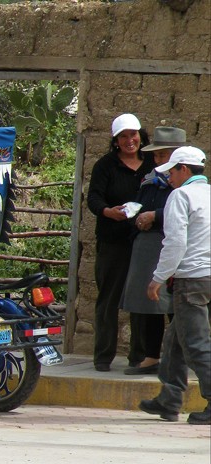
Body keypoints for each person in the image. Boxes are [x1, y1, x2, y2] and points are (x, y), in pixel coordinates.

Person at [138, 146, 210, 425]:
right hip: (207, 277)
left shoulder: (181, 196)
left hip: (190, 278)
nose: (168, 178)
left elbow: (175, 242)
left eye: (172, 171)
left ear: (184, 169)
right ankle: (169, 399)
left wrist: (157, 278)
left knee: (195, 344)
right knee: (176, 340)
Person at [86, 113, 155, 372]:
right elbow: (94, 198)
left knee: (140, 299)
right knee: (109, 299)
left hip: (143, 242)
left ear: (141, 136)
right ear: (115, 141)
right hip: (114, 242)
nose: (130, 141)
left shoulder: (150, 163)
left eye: (133, 135)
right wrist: (108, 212)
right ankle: (103, 357)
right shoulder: (106, 166)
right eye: (123, 136)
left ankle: (139, 356)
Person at [120, 127, 187, 375]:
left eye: (163, 156)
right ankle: (150, 357)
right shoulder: (150, 180)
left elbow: (185, 214)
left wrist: (155, 216)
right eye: (156, 156)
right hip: (146, 248)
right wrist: (137, 219)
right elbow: (139, 206)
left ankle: (177, 359)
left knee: (172, 305)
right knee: (149, 304)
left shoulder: (184, 183)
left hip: (169, 246)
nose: (158, 161)